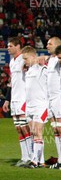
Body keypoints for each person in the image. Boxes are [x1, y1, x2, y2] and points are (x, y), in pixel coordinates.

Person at [4, 37, 32, 167]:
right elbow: (11, 82)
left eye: (10, 46)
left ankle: (32, 156)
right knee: (18, 128)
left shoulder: (24, 59)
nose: (8, 48)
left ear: (18, 46)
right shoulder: (12, 61)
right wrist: (7, 100)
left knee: (25, 128)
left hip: (23, 98)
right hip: (15, 98)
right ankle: (24, 156)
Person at [22, 46, 48, 168]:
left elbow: (52, 60)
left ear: (33, 57)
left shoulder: (42, 69)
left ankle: (34, 161)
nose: (24, 61)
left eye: (26, 58)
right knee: (33, 132)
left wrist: (41, 58)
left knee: (38, 132)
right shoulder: (29, 71)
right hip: (30, 106)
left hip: (41, 105)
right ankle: (41, 161)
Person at [46, 37, 61, 169]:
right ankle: (60, 159)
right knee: (55, 130)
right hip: (51, 100)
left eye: (50, 44)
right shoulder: (50, 60)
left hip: (60, 99)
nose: (47, 46)